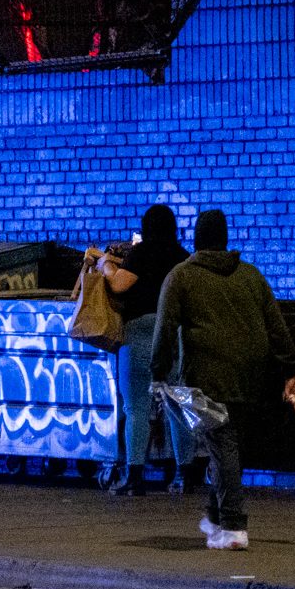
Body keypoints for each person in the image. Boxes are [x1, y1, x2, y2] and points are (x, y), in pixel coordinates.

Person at [150, 209, 295, 550]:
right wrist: (291, 369)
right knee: (227, 446)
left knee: (223, 445)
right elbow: (276, 326)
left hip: (208, 375)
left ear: (197, 239)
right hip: (252, 374)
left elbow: (164, 329)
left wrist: (158, 373)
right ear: (226, 238)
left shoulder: (182, 277)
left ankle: (234, 526)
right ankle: (215, 516)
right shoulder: (251, 276)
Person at [97, 203, 188, 495]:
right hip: (173, 335)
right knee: (176, 405)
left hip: (138, 334)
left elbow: (120, 285)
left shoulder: (142, 253)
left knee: (136, 408)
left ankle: (135, 477)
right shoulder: (183, 258)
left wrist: (106, 266)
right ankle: (183, 475)